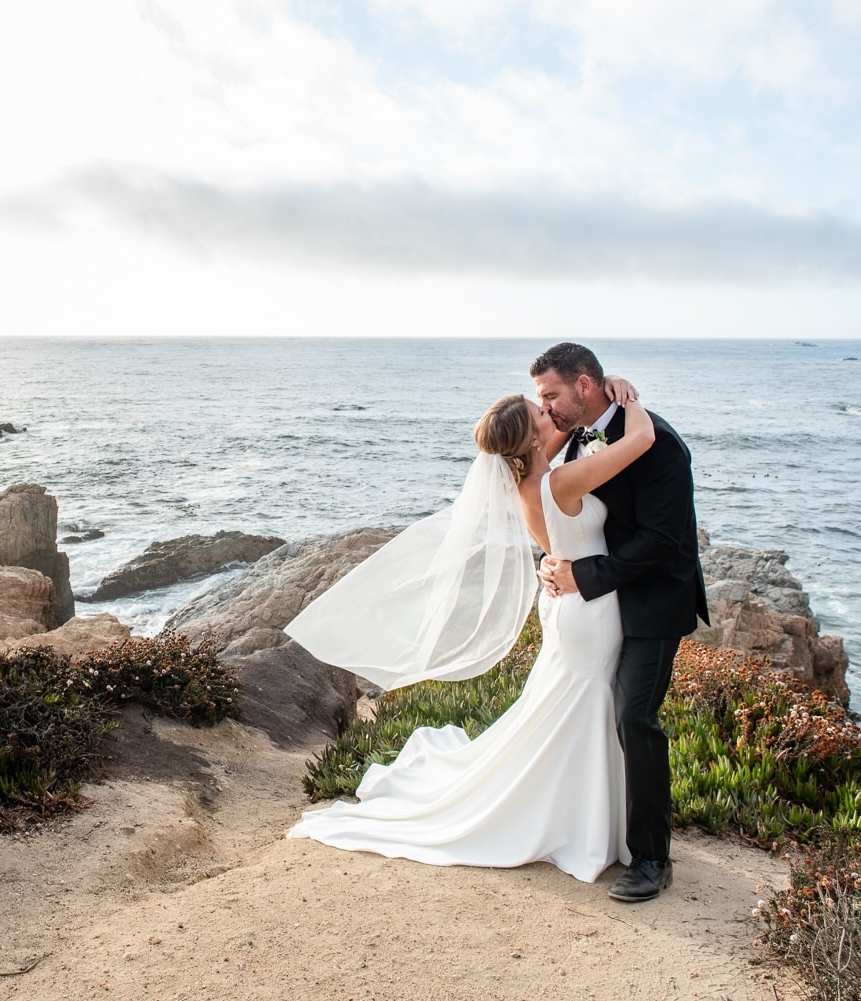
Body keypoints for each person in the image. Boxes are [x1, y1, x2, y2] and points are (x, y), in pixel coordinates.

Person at [285, 373, 658, 885]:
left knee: (566, 706)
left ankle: (589, 820)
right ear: (530, 435)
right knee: (584, 707)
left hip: (571, 603)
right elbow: (641, 440)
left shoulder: (528, 478)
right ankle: (585, 827)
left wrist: (590, 396)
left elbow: (552, 445)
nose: (551, 413)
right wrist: (630, 397)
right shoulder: (559, 481)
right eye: (541, 411)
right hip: (588, 612)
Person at [532, 343, 709, 902]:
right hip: (602, 605)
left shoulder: (659, 446)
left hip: (654, 601)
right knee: (596, 711)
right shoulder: (584, 433)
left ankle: (653, 858)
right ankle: (601, 830)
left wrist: (583, 575)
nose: (547, 406)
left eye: (551, 395)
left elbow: (662, 541)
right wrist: (555, 558)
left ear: (584, 386)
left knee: (634, 716)